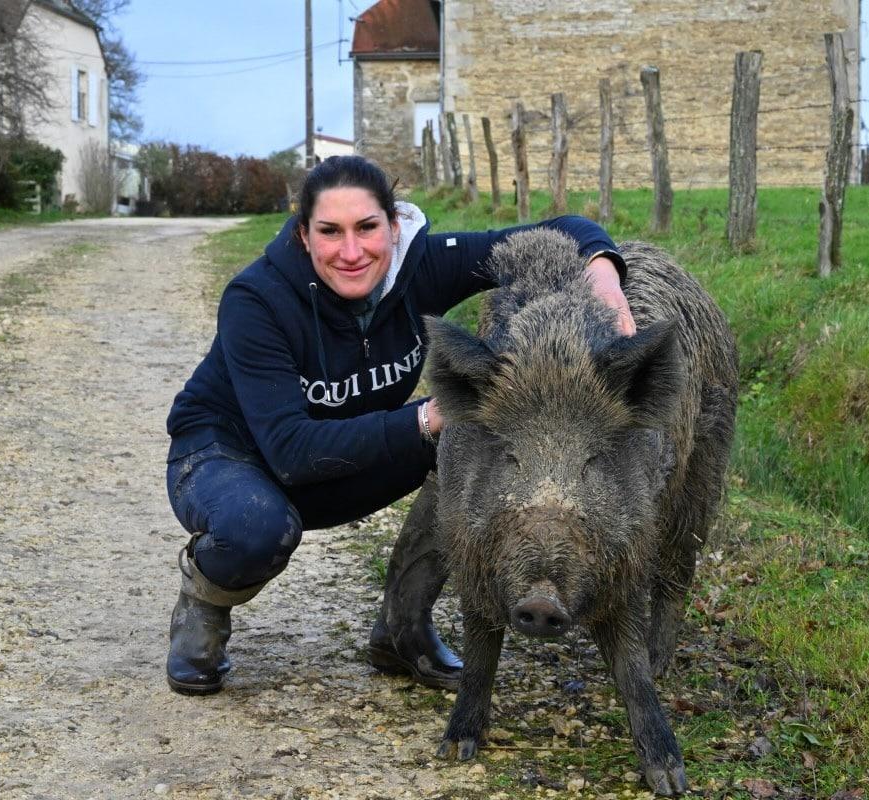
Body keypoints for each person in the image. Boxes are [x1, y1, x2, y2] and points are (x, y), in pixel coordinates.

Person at [164, 155, 633, 695]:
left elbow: (561, 233)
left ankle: (402, 627)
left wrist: (602, 274)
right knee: (255, 525)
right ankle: (203, 603)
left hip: (340, 455)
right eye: (329, 232)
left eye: (367, 228)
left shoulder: (421, 266)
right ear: (303, 235)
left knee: (471, 439)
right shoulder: (257, 300)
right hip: (231, 456)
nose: (352, 251)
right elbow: (290, 451)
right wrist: (427, 416)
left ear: (393, 225)